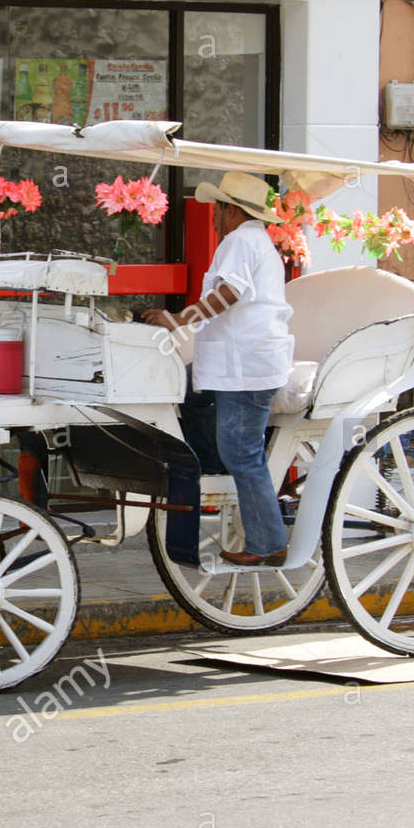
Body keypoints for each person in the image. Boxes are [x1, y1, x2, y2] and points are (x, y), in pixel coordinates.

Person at [143, 172, 294, 566]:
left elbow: (229, 293)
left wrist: (180, 319)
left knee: (243, 454)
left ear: (230, 211)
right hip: (237, 363)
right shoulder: (254, 240)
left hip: (244, 367)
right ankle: (210, 463)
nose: (212, 217)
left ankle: (268, 543)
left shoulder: (240, 240)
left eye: (217, 209)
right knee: (187, 395)